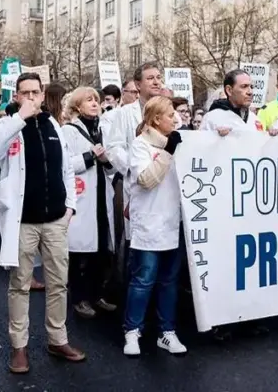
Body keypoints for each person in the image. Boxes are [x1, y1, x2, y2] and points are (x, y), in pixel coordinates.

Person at [0, 72, 85, 374]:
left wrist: (69, 208)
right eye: (23, 93)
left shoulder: (53, 125)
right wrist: (19, 118)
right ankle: (19, 347)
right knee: (20, 286)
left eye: (34, 93)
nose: (29, 97)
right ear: (16, 96)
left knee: (57, 283)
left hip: (55, 220)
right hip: (23, 221)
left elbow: (66, 169)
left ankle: (57, 338)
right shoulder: (7, 125)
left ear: (42, 95)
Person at [122, 96, 187, 357]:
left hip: (173, 222)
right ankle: (132, 331)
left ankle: (167, 332)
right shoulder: (140, 146)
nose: (176, 119)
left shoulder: (178, 143)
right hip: (149, 224)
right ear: (156, 119)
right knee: (143, 281)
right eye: (170, 115)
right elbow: (147, 180)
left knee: (169, 281)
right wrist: (167, 154)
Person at [63, 87, 117, 319]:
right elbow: (64, 164)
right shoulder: (69, 131)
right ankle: (79, 298)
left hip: (101, 197)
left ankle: (97, 295)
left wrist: (106, 160)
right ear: (77, 106)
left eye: (96, 100)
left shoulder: (102, 130)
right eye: (89, 100)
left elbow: (112, 166)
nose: (95, 103)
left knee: (101, 250)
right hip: (82, 198)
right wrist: (89, 156)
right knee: (78, 252)